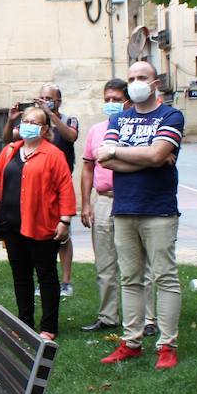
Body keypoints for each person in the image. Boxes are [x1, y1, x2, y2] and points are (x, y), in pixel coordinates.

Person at [96, 60, 185, 370]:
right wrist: (150, 158)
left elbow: (157, 153)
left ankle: (167, 345)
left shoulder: (170, 115)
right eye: (131, 77)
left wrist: (128, 153)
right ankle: (131, 342)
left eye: (142, 77)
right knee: (130, 278)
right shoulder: (119, 118)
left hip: (158, 208)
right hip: (124, 208)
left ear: (155, 82)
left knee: (165, 277)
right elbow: (104, 160)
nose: (135, 82)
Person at [0, 104, 75, 339]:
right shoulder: (10, 151)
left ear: (45, 129)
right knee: (20, 275)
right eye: (26, 120)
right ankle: (24, 322)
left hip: (43, 225)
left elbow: (65, 189)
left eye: (35, 123)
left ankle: (49, 327)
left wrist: (64, 221)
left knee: (46, 275)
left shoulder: (54, 154)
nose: (29, 126)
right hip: (12, 225)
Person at [80, 78, 155, 333]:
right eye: (107, 99)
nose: (110, 104)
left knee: (139, 263)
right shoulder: (96, 130)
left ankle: (148, 320)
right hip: (104, 200)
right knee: (105, 263)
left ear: (128, 100)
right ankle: (107, 316)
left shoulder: (140, 127)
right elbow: (88, 168)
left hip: (133, 199)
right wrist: (86, 204)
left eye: (115, 99)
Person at [5, 84, 79, 296]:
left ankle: (65, 280)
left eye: (50, 98)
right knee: (35, 237)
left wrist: (49, 116)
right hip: (33, 181)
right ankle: (41, 278)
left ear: (59, 101)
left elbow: (71, 136)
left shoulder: (67, 119)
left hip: (58, 180)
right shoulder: (32, 121)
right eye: (43, 97)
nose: (46, 100)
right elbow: (8, 139)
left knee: (62, 236)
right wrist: (11, 120)